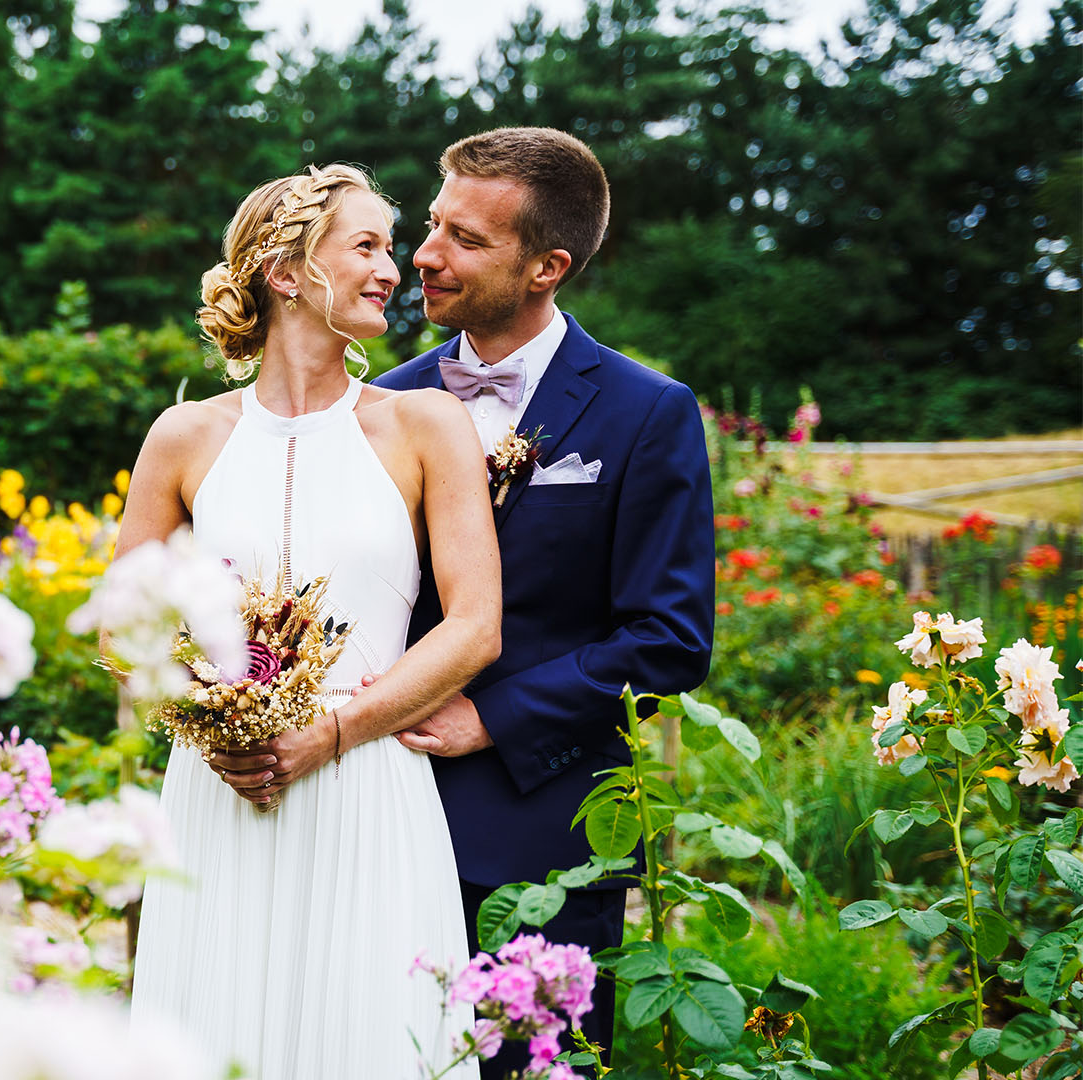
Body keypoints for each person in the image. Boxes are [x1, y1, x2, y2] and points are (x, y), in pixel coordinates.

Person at [118, 163, 501, 1079]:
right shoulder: (184, 437)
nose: (393, 269)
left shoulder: (426, 425)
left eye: (388, 247)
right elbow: (123, 622)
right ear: (287, 272)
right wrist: (214, 724)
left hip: (370, 784)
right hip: (220, 793)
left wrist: (331, 733)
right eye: (366, 246)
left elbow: (476, 626)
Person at [373, 127, 716, 1073]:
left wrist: (495, 718)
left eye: (467, 239)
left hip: (541, 841)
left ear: (546, 266)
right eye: (433, 224)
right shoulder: (380, 404)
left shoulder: (647, 413)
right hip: (373, 818)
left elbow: (670, 639)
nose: (426, 255)